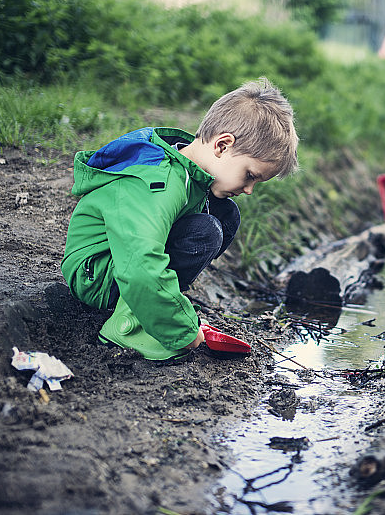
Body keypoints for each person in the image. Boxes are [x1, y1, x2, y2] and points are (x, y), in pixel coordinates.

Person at [61, 77, 299, 360]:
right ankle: (126, 326)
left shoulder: (189, 169)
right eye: (250, 176)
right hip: (97, 274)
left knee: (224, 215)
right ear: (222, 146)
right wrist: (183, 330)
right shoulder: (158, 183)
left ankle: (159, 306)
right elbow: (140, 263)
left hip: (122, 263)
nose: (249, 190)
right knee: (205, 230)